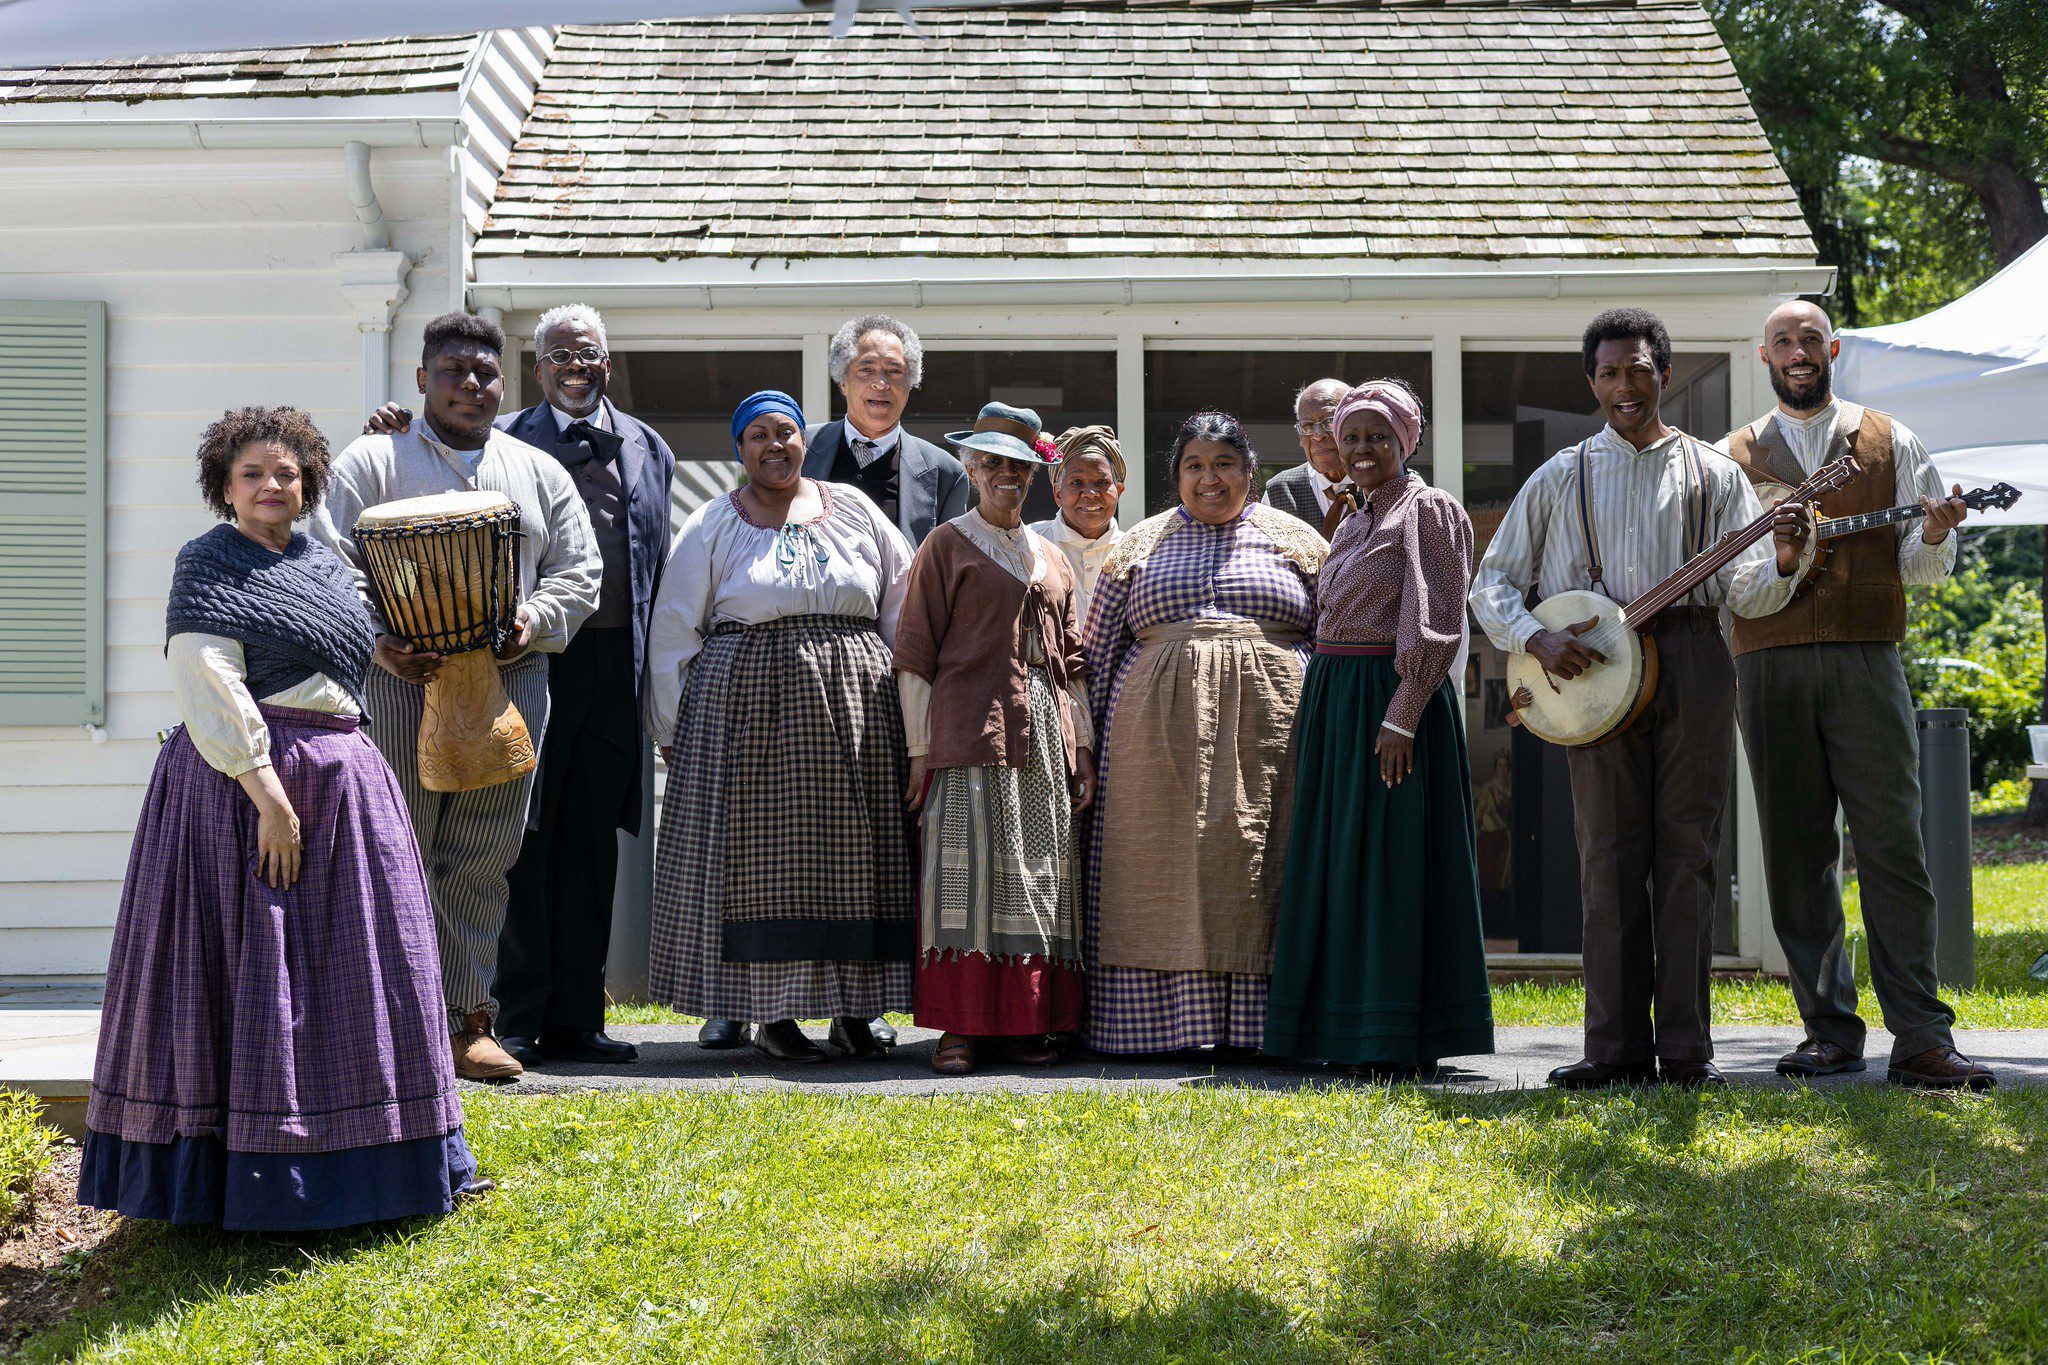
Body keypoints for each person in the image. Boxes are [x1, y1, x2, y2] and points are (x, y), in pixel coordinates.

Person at [80, 406, 486, 1232]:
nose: (272, 485)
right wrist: (268, 797)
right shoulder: (208, 563)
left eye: (288, 473)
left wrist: (396, 652)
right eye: (253, 473)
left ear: (309, 485)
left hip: (343, 779)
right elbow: (209, 680)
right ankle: (239, 1181)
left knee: (363, 969)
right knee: (247, 972)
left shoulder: (327, 562)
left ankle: (387, 1160)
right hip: (241, 785)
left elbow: (340, 650)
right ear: (224, 487)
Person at [1468, 308, 1806, 1090]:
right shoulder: (1558, 476)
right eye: (1610, 371)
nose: (1626, 385)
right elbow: (1493, 582)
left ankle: (1687, 1051)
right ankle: (1613, 1049)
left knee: (1688, 855)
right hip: (1589, 666)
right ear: (1591, 382)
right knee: (1608, 858)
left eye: (1640, 369)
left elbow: (1746, 592)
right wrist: (1536, 638)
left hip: (1693, 657)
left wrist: (1785, 559)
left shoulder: (1714, 472)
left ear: (1666, 373)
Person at [365, 304, 679, 1067]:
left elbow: (650, 560)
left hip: (608, 666)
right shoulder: (502, 437)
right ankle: (514, 1013)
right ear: (535, 370)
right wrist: (393, 429)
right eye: (560, 354)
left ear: (608, 363)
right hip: (512, 666)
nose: (576, 365)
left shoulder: (649, 446)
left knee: (591, 843)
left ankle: (579, 1018)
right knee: (516, 840)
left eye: (589, 353)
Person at [314, 311, 601, 1082]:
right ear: (421, 379)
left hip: (509, 678)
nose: (470, 384)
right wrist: (379, 637)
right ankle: (386, 1025)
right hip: (399, 680)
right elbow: (329, 559)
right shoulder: (372, 460)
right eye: (452, 370)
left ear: (504, 383)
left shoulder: (538, 470)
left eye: (484, 372)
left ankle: (470, 1021)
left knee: (482, 854)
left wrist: (532, 621)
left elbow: (580, 572)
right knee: (390, 847)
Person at [1727, 300, 1993, 1090]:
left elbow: (1921, 564)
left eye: (1810, 338)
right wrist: (1781, 562)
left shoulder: (1891, 439)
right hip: (1767, 665)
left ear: (1832, 348)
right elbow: (1729, 578)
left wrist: (1936, 531)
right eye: (1784, 340)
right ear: (1765, 354)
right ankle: (1828, 1032)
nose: (1798, 351)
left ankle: (1921, 1036)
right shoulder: (1729, 456)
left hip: (1867, 658)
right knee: (1796, 853)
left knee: (1893, 847)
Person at [643, 391, 917, 1063]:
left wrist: (914, 710)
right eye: (758, 435)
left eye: (786, 433)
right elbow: (674, 626)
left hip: (858, 707)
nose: (774, 445)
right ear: (740, 449)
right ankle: (772, 1015)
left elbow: (902, 603)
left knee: (858, 858)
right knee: (767, 861)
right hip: (748, 709)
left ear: (804, 441)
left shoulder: (855, 509)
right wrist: (673, 726)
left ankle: (857, 1011)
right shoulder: (713, 522)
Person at [1265, 382, 1494, 1077]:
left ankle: (1390, 1031)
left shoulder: (1428, 509)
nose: (1362, 449)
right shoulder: (1353, 520)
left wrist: (1404, 710)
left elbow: (1438, 618)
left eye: (1377, 436)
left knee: (1389, 860)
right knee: (1340, 858)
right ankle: (1336, 1025)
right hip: (1338, 699)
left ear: (1405, 441)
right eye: (1351, 437)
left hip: (1388, 701)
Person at [1084, 411, 1327, 1056]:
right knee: (1156, 870)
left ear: (1250, 472)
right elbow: (1098, 651)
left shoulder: (1298, 542)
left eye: (1224, 464)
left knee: (1258, 865)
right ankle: (1156, 1027)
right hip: (1150, 744)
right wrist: (1084, 744)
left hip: (1273, 739)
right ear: (1176, 476)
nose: (1209, 478)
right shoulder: (1138, 545)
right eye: (1194, 465)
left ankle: (1263, 1027)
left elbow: (1333, 635)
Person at [895, 402, 1096, 1075]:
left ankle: (1022, 1023)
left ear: (1036, 474)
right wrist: (920, 751)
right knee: (966, 876)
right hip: (966, 730)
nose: (1007, 474)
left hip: (1043, 735)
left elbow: (1071, 663)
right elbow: (915, 654)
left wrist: (1082, 746)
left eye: (1020, 465)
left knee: (1034, 876)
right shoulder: (945, 544)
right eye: (992, 462)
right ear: (971, 469)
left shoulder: (1051, 556)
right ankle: (959, 1027)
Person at [803, 314, 970, 548]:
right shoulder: (800, 449)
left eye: (894, 371)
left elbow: (949, 561)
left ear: (910, 383)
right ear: (842, 382)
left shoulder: (946, 474)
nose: (881, 383)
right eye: (866, 369)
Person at [1028, 425, 1127, 639]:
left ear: (1119, 490)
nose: (1090, 493)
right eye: (1076, 483)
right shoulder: (1029, 544)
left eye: (1102, 482)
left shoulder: (1138, 551)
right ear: (1057, 493)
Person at [1263, 378, 1354, 538]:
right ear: (1300, 438)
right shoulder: (1279, 491)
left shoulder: (1384, 484)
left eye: (1330, 421)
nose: (1317, 435)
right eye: (1308, 426)